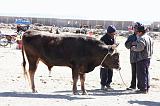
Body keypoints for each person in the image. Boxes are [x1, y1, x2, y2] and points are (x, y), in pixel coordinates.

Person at [131, 25, 153, 94]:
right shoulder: (149, 37)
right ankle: (147, 87)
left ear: (140, 32)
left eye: (137, 32)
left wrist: (134, 48)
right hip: (148, 57)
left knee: (141, 74)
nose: (136, 33)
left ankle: (143, 89)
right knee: (146, 73)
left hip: (141, 58)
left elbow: (140, 48)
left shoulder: (142, 38)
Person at [125, 22, 141, 90]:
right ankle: (133, 86)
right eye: (134, 27)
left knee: (141, 73)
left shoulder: (142, 36)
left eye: (136, 28)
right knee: (134, 72)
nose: (135, 29)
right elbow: (126, 45)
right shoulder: (131, 37)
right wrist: (132, 43)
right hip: (133, 57)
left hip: (141, 58)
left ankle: (141, 87)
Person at [100, 25, 117, 90]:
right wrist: (110, 46)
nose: (114, 34)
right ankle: (103, 85)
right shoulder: (103, 38)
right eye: (113, 33)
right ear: (109, 33)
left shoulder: (113, 38)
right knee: (104, 71)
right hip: (104, 58)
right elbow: (101, 47)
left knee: (110, 71)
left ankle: (108, 84)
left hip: (111, 57)